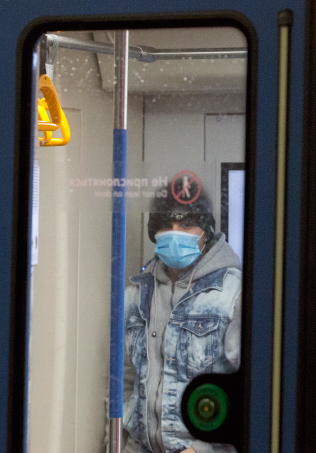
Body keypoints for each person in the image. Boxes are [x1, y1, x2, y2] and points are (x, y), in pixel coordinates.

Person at [122, 178, 241, 453]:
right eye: (167, 224)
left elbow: (249, 391)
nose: (175, 233)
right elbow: (123, 380)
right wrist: (117, 440)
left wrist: (202, 449)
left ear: (206, 231)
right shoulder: (135, 295)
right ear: (154, 231)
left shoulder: (234, 294)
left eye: (187, 225)